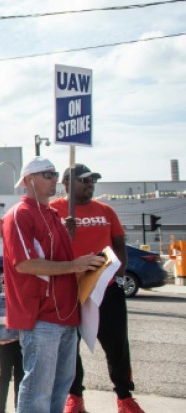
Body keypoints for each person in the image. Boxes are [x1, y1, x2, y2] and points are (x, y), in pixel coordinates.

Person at [1, 157, 104, 413]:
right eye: (47, 175)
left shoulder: (54, 215)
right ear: (27, 180)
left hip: (66, 316)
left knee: (60, 387)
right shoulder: (18, 214)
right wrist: (75, 266)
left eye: (55, 174)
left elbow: (62, 261)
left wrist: (91, 268)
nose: (54, 179)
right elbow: (24, 264)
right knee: (39, 389)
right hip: (40, 316)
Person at [50, 164, 145, 413]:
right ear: (66, 183)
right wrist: (63, 230)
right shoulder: (53, 211)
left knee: (117, 346)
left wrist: (118, 272)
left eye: (92, 180)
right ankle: (75, 398)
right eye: (84, 180)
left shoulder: (106, 211)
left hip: (106, 289)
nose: (90, 184)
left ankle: (125, 398)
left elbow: (119, 244)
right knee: (70, 346)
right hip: (69, 289)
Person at [0, 292, 23, 413]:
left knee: (20, 377)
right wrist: (9, 319)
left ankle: (18, 408)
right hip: (5, 343)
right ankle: (0, 409)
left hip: (21, 342)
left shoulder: (22, 296)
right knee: (4, 376)